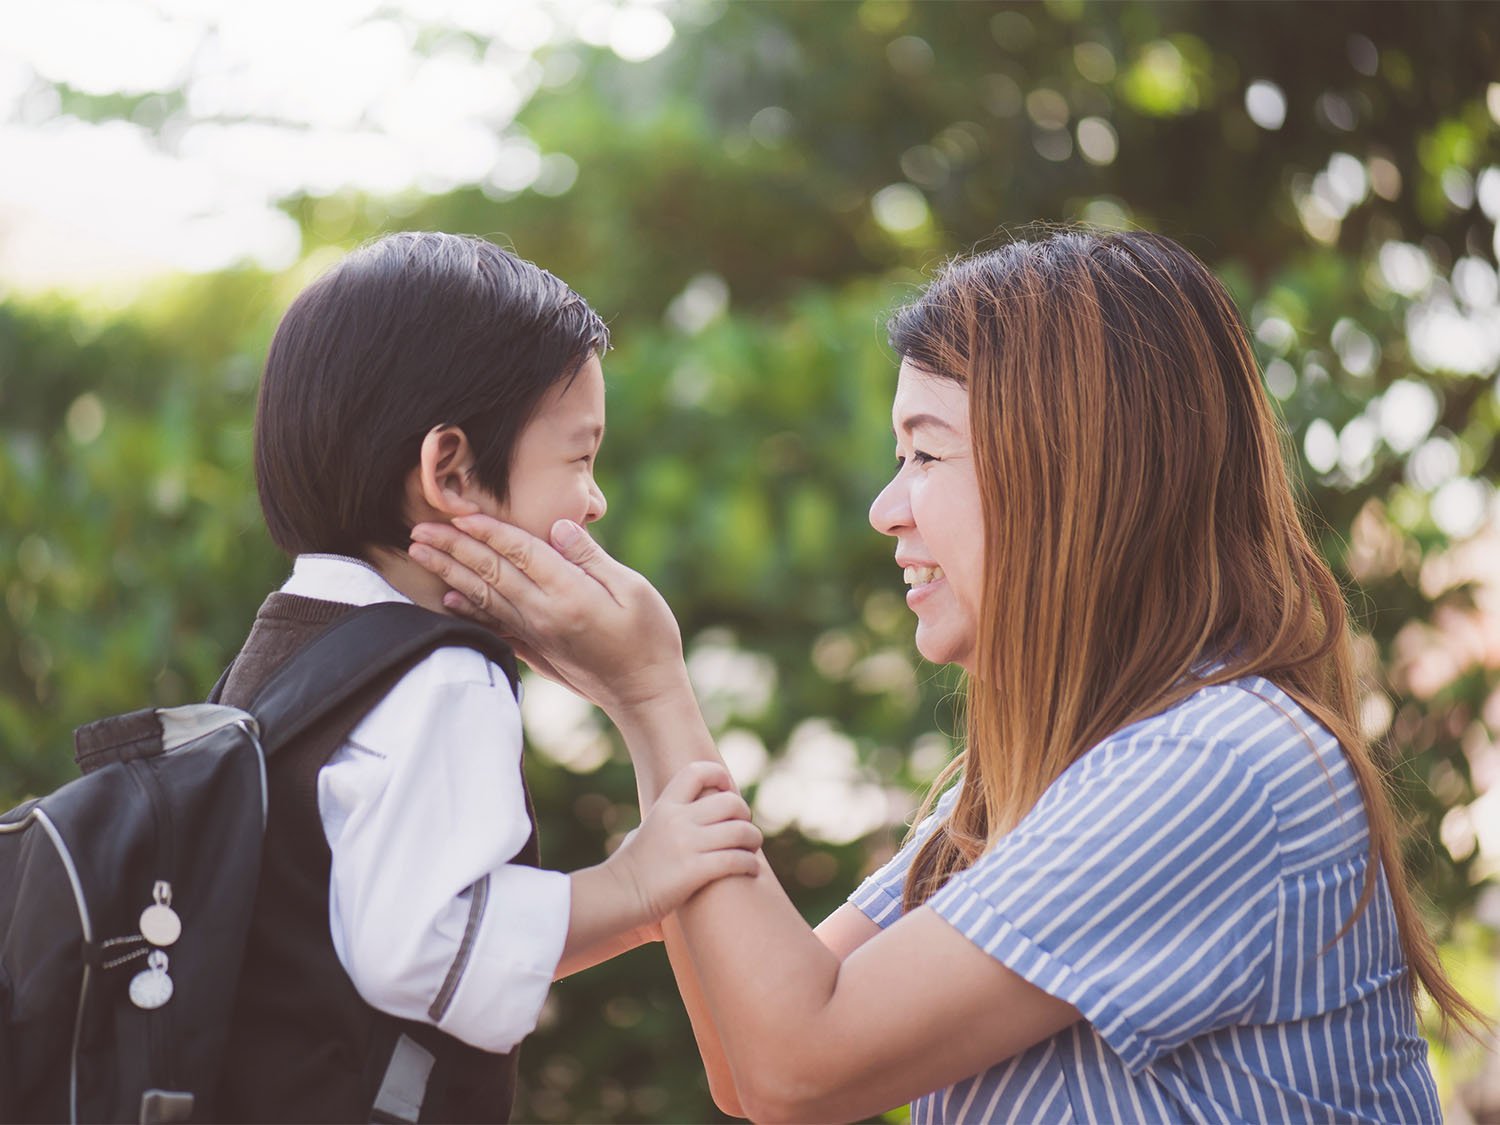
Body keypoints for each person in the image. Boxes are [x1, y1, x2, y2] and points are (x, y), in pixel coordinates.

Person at [408, 229, 1486, 1123]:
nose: (889, 508)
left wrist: (652, 695)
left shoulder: (1219, 765)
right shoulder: (1039, 782)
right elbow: (749, 1059)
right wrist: (636, 704)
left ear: (1071, 474)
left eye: (924, 456)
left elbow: (800, 1063)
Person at [213, 231, 760, 1123]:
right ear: (452, 470)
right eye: (580, 457)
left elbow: (399, 926)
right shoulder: (441, 678)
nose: (595, 500)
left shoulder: (289, 643)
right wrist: (628, 884)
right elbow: (415, 947)